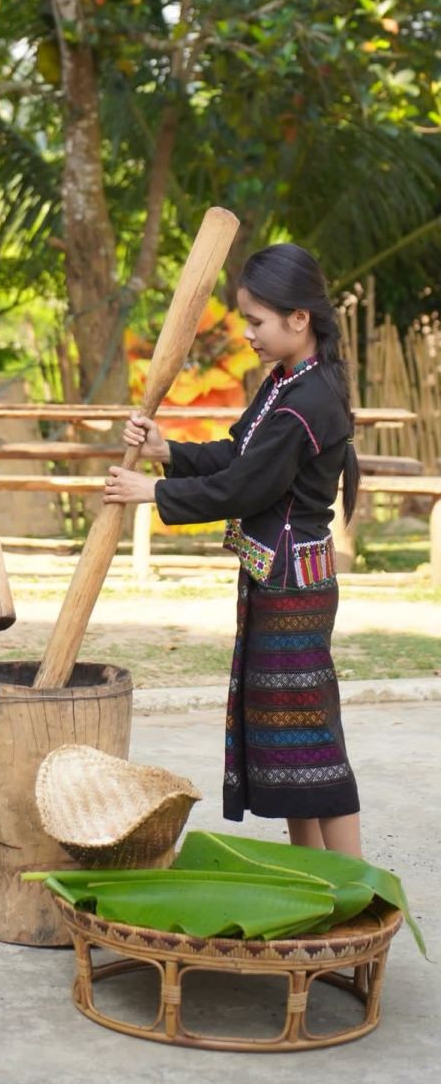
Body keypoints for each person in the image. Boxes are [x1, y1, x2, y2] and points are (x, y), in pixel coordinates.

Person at [104, 242, 362, 856]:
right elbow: (238, 452)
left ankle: (358, 892)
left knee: (313, 744)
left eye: (256, 321)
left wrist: (155, 491)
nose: (247, 333)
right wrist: (171, 451)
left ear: (299, 318)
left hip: (293, 590)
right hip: (275, 582)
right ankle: (315, 884)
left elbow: (248, 484)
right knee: (289, 746)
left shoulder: (310, 399)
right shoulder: (287, 382)